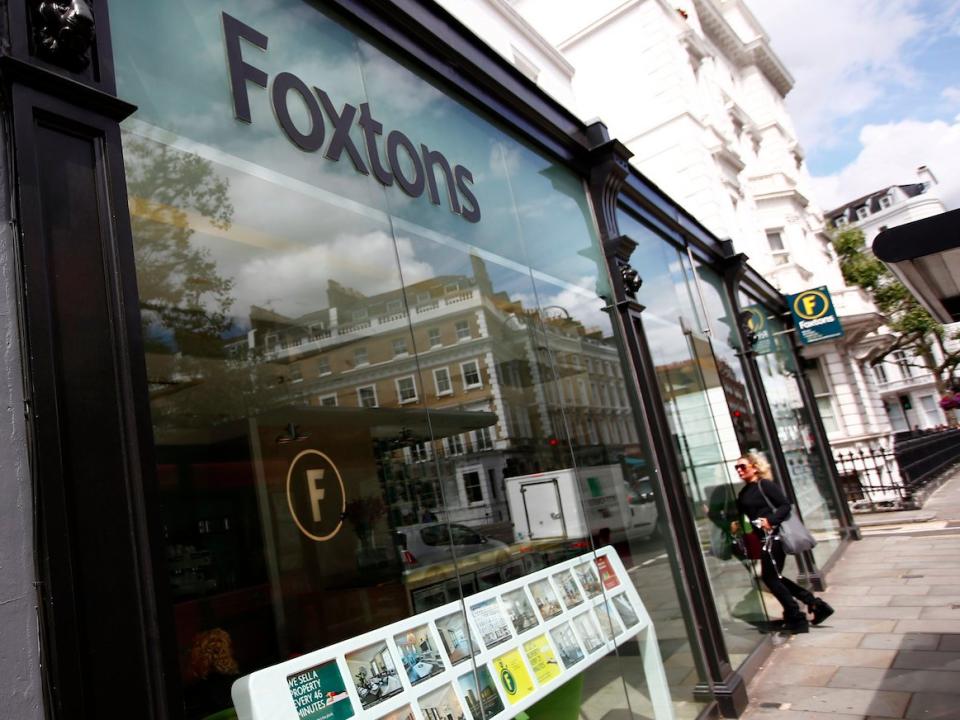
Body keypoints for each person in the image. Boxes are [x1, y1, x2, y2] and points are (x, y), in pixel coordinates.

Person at [730, 452, 834, 634]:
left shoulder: (765, 485)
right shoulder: (744, 492)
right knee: (774, 577)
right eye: (737, 467)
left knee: (770, 577)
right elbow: (740, 513)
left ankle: (796, 616)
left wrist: (770, 520)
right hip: (762, 539)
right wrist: (735, 524)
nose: (739, 470)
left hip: (775, 537)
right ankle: (815, 605)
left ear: (754, 467)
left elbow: (785, 506)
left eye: (743, 466)